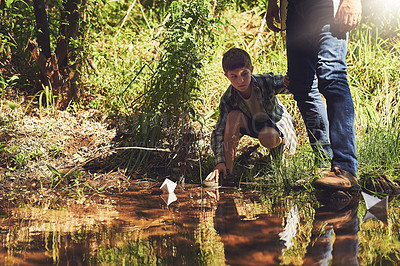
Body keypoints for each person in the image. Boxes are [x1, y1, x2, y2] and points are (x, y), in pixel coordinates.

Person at [266, 0, 362, 191]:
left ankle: (346, 168)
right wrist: (272, 4)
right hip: (293, 9)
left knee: (332, 76)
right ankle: (325, 163)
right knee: (302, 86)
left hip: (327, 6)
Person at [204, 48, 297, 186]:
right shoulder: (228, 98)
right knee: (233, 116)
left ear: (251, 70)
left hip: (273, 125)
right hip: (252, 125)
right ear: (226, 76)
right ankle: (227, 173)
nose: (240, 80)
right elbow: (219, 130)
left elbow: (285, 85)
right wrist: (220, 162)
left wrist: (290, 82)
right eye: (234, 76)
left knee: (268, 137)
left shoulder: (264, 82)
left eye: (244, 74)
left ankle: (279, 149)